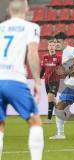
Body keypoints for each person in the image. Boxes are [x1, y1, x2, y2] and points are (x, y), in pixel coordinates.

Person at [0, 0, 43, 160]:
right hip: (14, 79)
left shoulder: (1, 27)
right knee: (35, 122)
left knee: (0, 126)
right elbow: (32, 55)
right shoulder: (31, 27)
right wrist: (37, 82)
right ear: (27, 9)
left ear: (9, 9)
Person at [40, 39, 62, 124]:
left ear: (55, 47)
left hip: (55, 81)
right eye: (50, 45)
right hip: (47, 81)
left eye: (53, 45)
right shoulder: (45, 57)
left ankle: (49, 119)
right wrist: (38, 78)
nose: (51, 47)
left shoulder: (59, 58)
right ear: (48, 47)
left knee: (50, 96)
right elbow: (42, 70)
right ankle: (62, 112)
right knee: (52, 99)